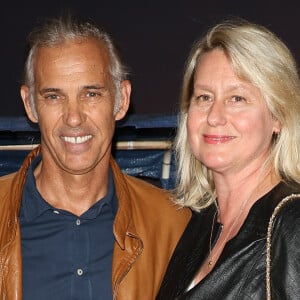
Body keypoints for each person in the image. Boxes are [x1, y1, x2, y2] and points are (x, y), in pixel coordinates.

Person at [0, 16, 191, 299]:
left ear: (121, 99)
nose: (74, 117)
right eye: (54, 96)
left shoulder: (172, 225)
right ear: (30, 104)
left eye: (91, 94)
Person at [156, 18, 300, 299]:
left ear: (278, 116)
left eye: (237, 98)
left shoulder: (292, 226)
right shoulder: (200, 223)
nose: (214, 116)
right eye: (204, 97)